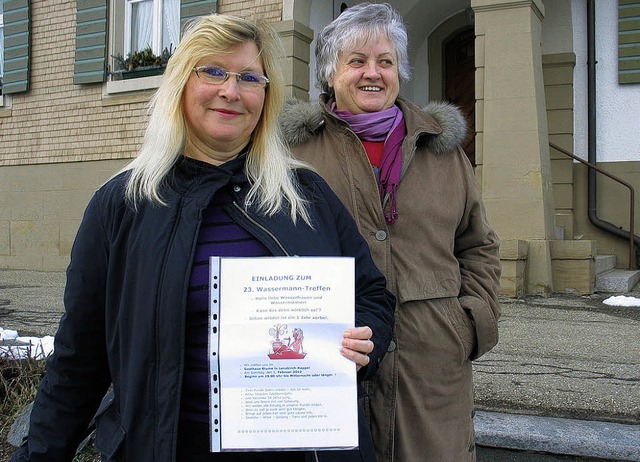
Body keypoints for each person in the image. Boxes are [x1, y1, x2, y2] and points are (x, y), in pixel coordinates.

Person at [12, 13, 395, 462]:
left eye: (250, 77)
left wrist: (365, 340)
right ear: (180, 84)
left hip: (306, 445)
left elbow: (371, 293)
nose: (231, 91)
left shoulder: (305, 194)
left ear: (266, 96)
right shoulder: (122, 205)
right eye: (213, 71)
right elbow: (79, 358)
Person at [280, 3, 501, 461]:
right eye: (356, 61)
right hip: (330, 359)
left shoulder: (443, 151)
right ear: (330, 73)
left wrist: (472, 322)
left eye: (385, 61)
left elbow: (478, 244)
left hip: (433, 362)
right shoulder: (295, 154)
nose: (372, 73)